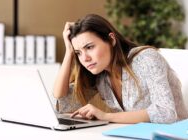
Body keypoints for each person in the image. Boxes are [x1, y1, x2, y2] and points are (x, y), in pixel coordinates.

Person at [53, 14, 188, 124]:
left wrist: (106, 116)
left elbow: (166, 113)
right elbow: (64, 101)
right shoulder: (101, 76)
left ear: (111, 40)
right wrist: (69, 52)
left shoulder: (146, 59)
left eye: (89, 47)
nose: (85, 58)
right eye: (79, 53)